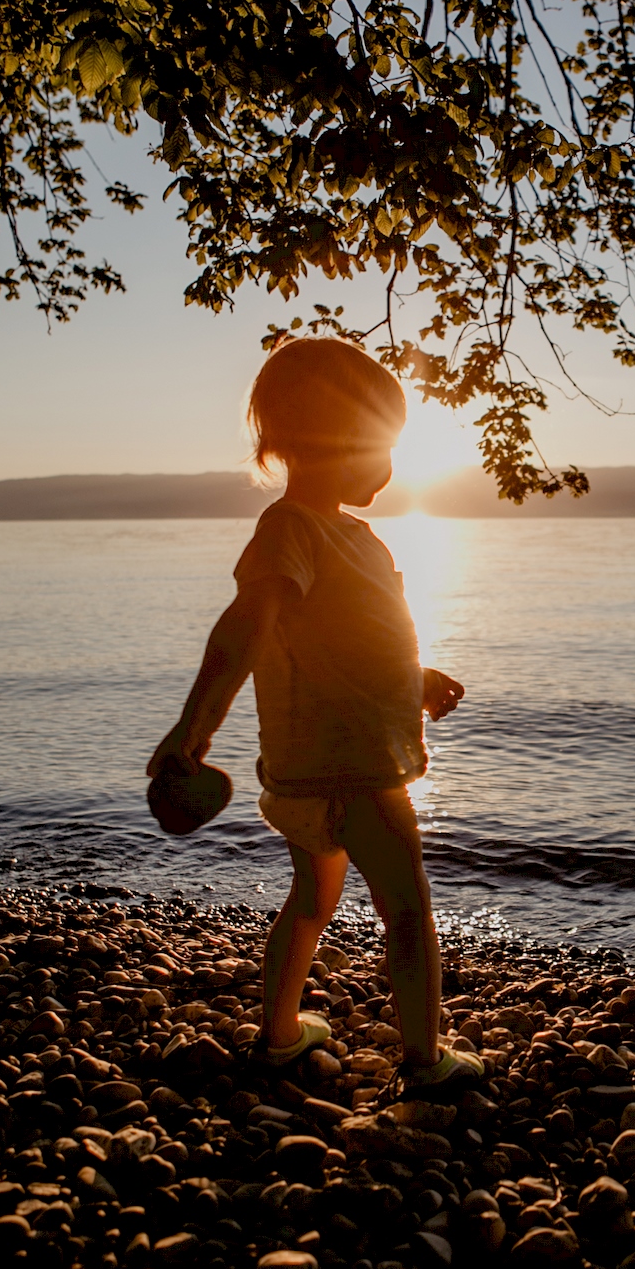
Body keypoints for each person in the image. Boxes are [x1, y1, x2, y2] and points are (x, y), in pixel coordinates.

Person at [146, 337, 482, 1093]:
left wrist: (415, 676)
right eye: (382, 448)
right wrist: (194, 727)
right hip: (354, 768)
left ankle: (281, 1036)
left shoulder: (355, 539)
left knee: (312, 901)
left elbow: (352, 636)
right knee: (407, 910)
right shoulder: (289, 529)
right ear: (334, 441)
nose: (392, 468)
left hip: (303, 774)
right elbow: (249, 625)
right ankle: (428, 1063)